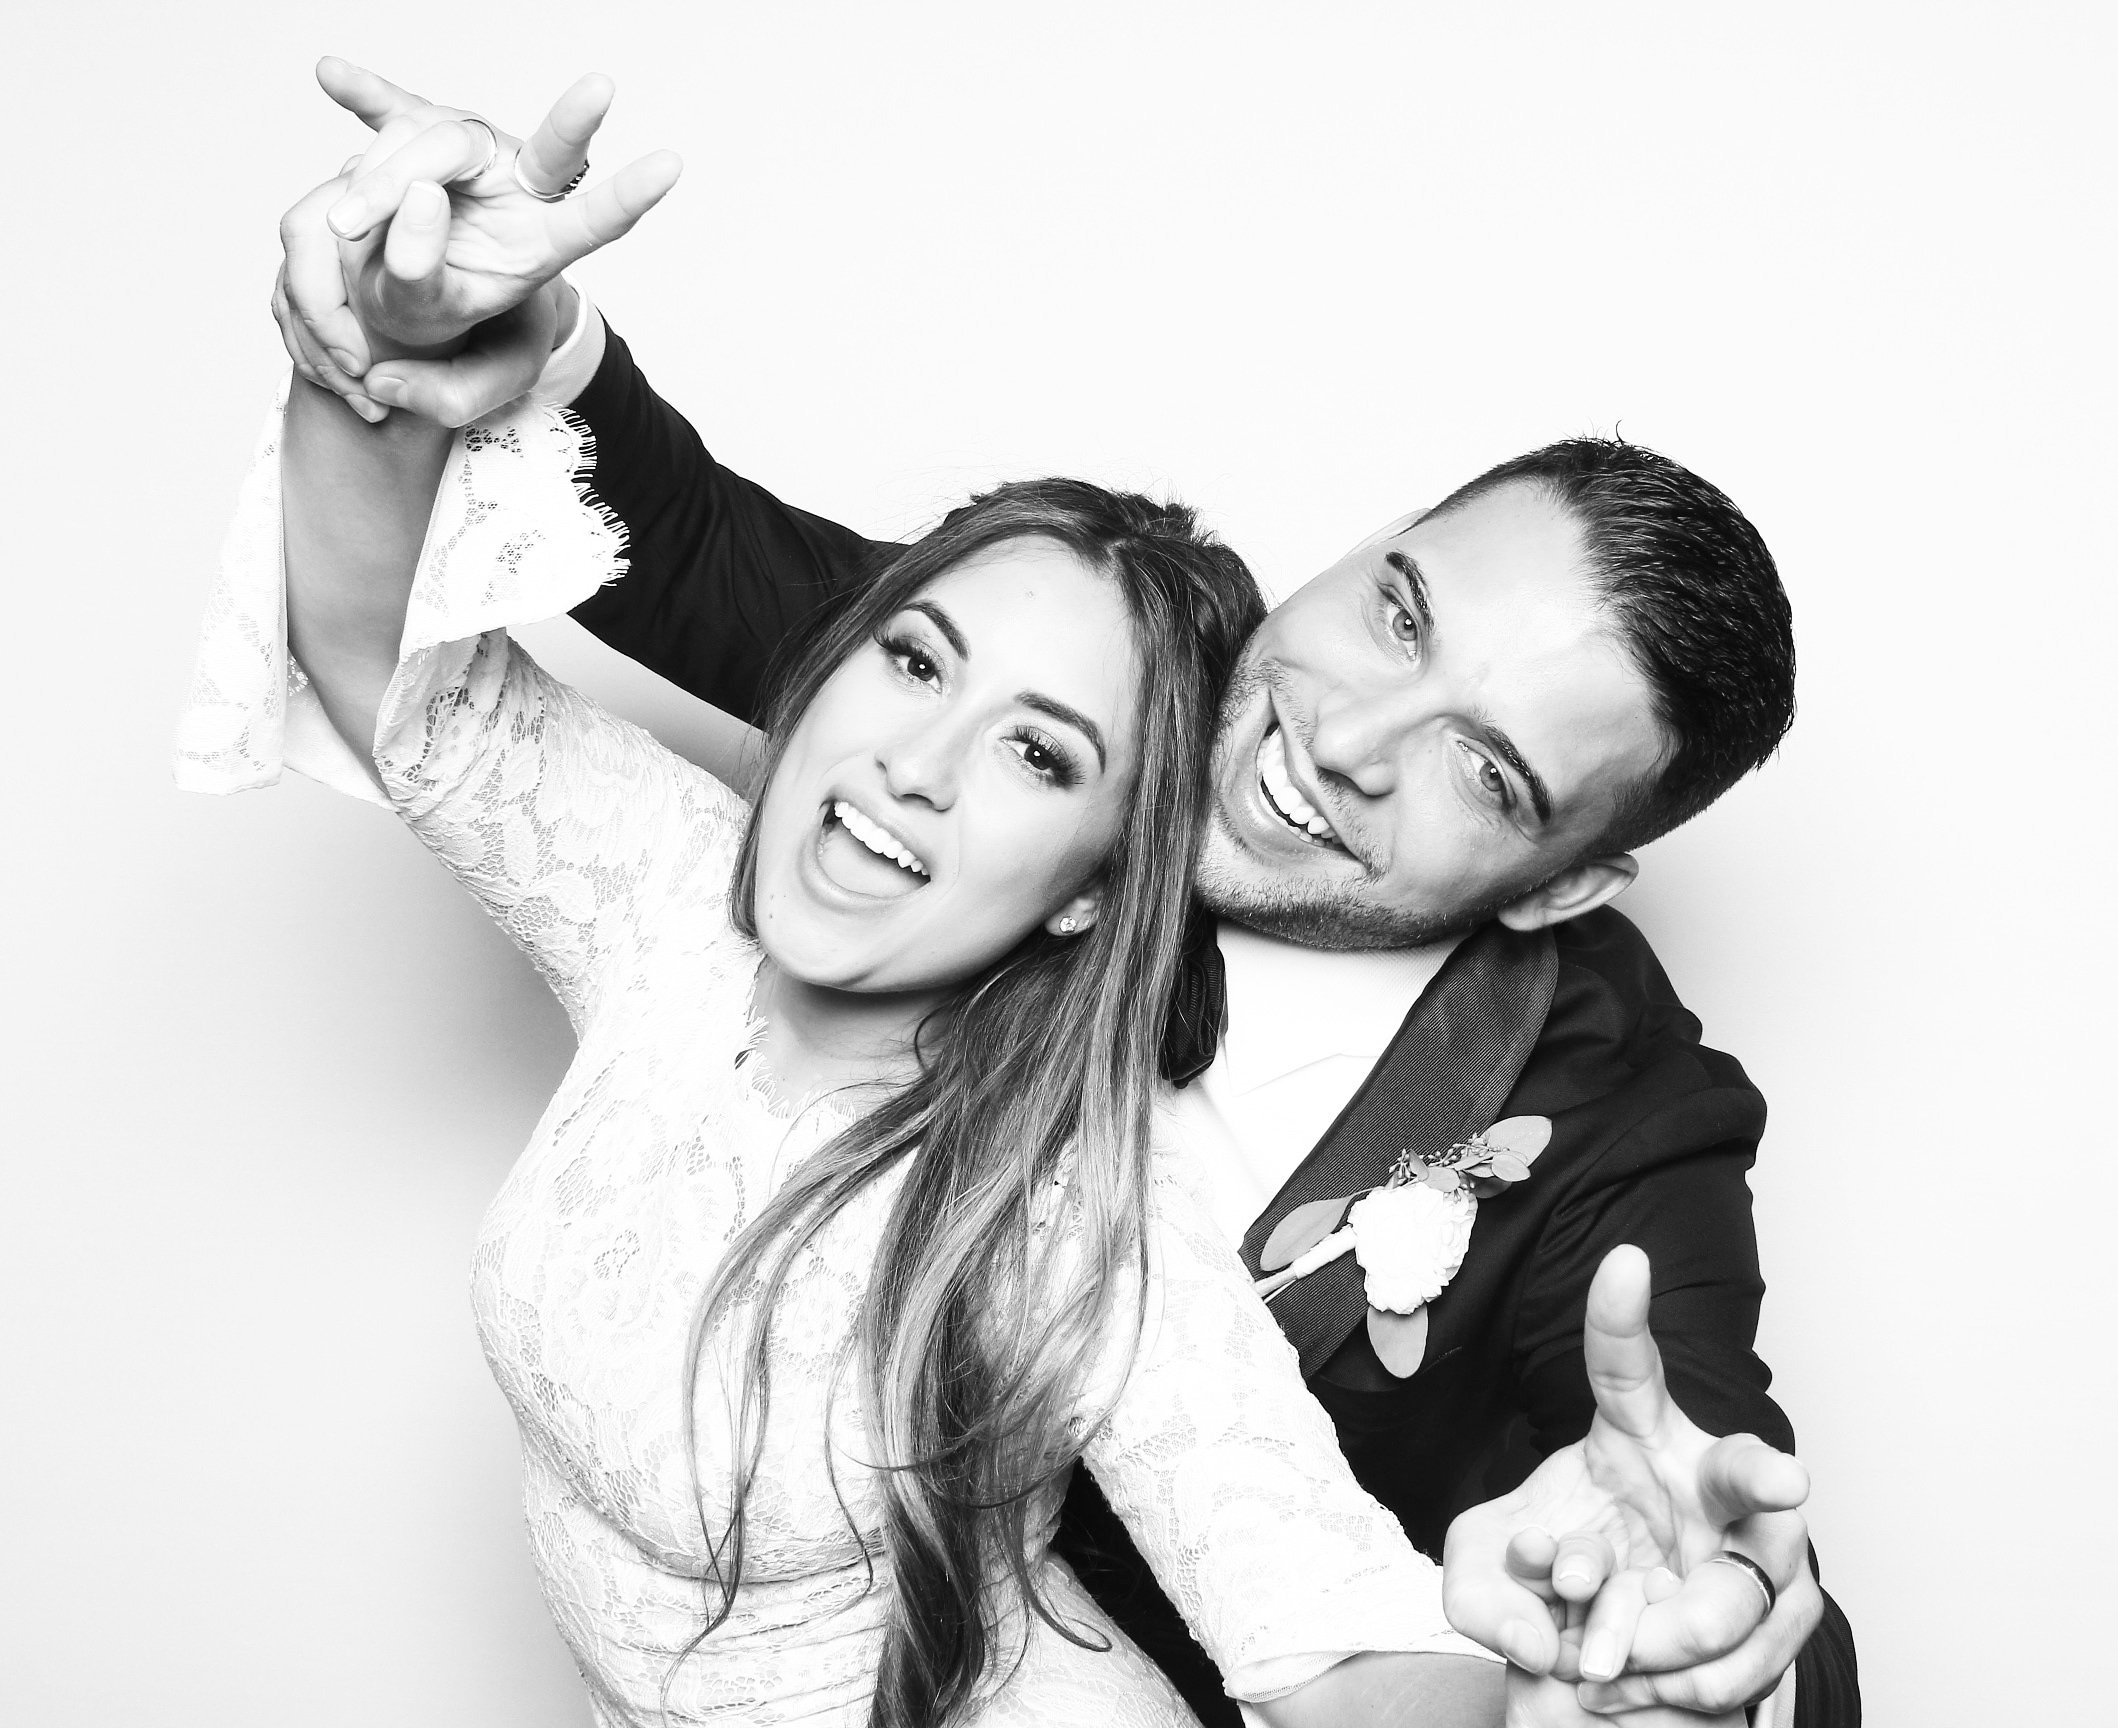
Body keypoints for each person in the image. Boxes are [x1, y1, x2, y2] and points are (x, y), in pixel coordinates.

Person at [261, 62, 1859, 1727]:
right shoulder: (1031, 671)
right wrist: (404, 328)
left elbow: (1653, 1480)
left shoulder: (1614, 1119)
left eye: (1487, 768)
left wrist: (1697, 1639)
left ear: (1566, 882)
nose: (1348, 742)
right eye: (1397, 615)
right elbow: (671, 553)